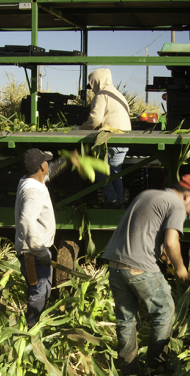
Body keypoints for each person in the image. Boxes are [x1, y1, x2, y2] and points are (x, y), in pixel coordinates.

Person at [102, 174, 190, 376]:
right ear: (187, 195)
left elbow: (143, 229)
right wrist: (180, 266)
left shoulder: (147, 194)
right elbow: (171, 241)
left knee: (126, 319)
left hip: (115, 265)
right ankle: (156, 367)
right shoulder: (176, 205)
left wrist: (161, 252)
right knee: (165, 310)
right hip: (139, 267)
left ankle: (127, 372)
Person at [14, 148, 74, 327]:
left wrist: (67, 161)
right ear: (41, 166)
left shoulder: (28, 181)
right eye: (46, 161)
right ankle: (31, 331)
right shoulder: (35, 191)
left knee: (41, 290)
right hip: (33, 254)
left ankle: (34, 327)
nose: (48, 163)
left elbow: (47, 174)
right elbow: (26, 221)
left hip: (31, 251)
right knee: (38, 292)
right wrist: (40, 252)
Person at [76, 68, 131, 209]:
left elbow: (95, 119)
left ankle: (112, 200)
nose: (92, 88)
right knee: (115, 173)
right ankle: (119, 206)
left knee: (98, 167)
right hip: (124, 139)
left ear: (96, 81)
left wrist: (81, 129)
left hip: (111, 138)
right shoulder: (118, 93)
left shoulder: (102, 94)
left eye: (92, 84)